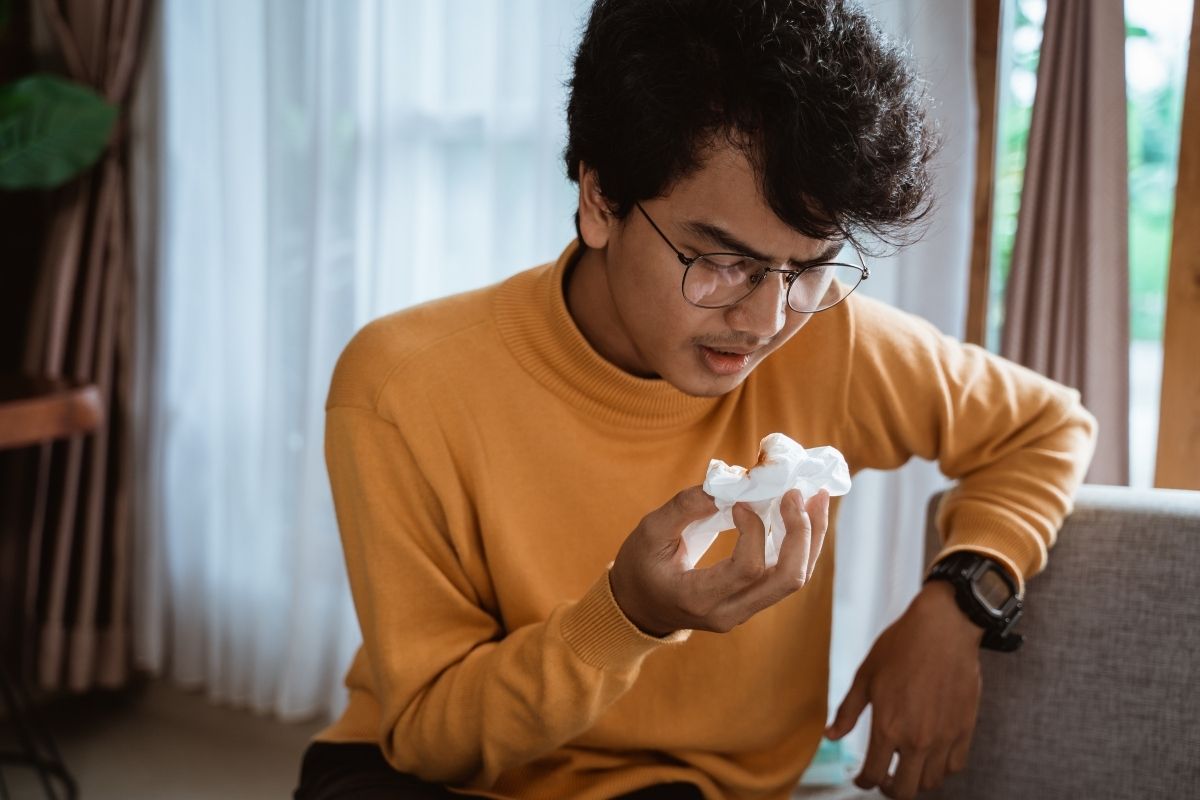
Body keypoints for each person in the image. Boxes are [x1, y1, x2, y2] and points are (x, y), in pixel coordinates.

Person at [294, 1, 1096, 799]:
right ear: (600, 199)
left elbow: (1047, 423)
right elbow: (433, 741)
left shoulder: (831, 338)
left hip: (683, 788)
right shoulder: (404, 384)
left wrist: (959, 601)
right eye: (719, 261)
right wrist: (623, 617)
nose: (765, 321)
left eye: (809, 267)